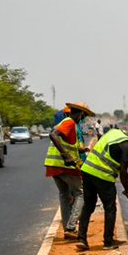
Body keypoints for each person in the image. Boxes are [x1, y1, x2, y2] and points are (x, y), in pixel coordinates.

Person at [75, 123, 128, 251]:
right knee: (110, 208)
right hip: (102, 176)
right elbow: (123, 172)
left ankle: (81, 238)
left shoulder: (113, 132)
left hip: (87, 170)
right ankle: (108, 241)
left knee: (89, 205)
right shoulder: (127, 146)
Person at [44, 102, 94, 238]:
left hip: (53, 165)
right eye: (83, 116)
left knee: (64, 196)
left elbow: (67, 142)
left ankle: (67, 229)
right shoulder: (69, 122)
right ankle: (71, 227)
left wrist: (82, 149)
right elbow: (53, 135)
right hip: (64, 166)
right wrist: (66, 156)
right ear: (80, 114)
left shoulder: (69, 125)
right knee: (80, 194)